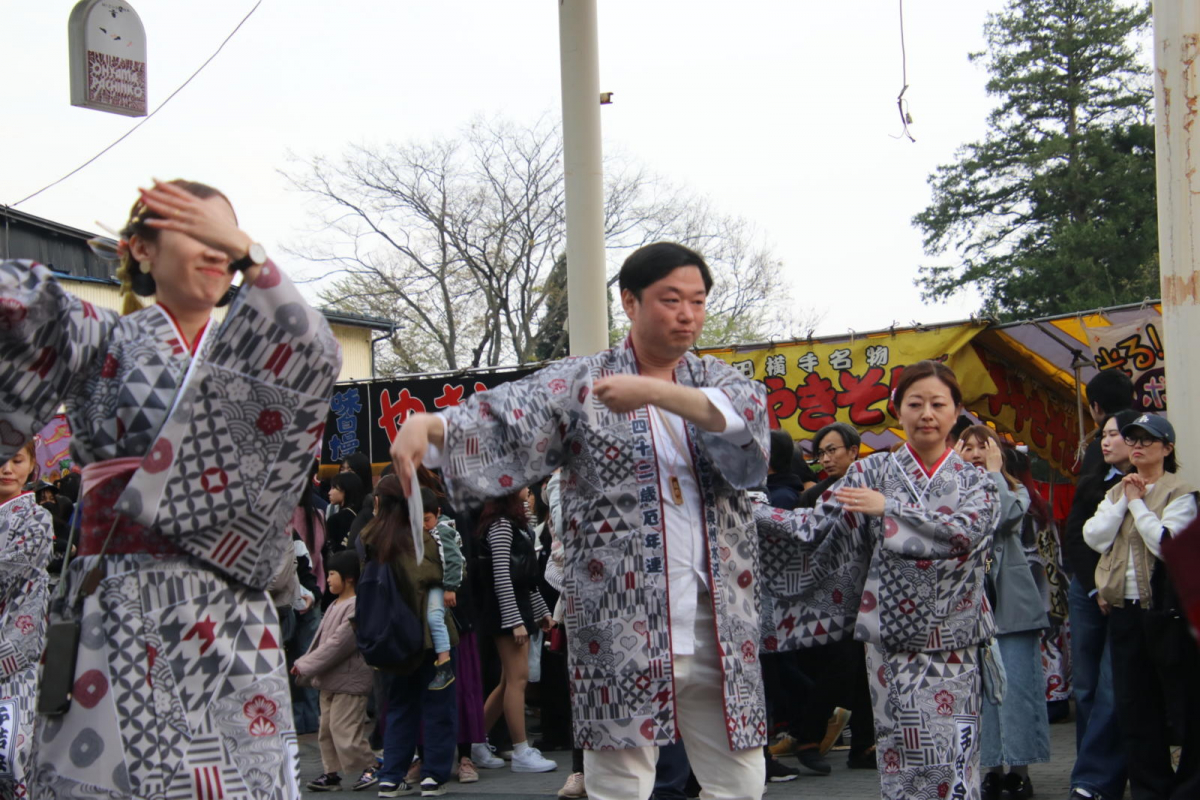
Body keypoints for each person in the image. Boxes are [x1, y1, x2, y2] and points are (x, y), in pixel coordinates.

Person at [391, 241, 771, 800]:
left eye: (698, 300)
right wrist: (435, 426)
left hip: (718, 617)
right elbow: (511, 417)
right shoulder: (584, 383)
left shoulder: (721, 380)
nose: (687, 313)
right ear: (630, 301)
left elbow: (749, 427)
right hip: (622, 616)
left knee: (740, 778)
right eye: (671, 299)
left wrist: (655, 392)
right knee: (619, 780)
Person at [1, 179, 341, 798]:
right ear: (140, 251)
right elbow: (22, 314)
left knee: (240, 780)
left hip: (233, 611)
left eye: (228, 239)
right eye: (195, 232)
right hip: (123, 596)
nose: (218, 251)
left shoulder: (250, 350)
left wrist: (253, 254)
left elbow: (310, 347)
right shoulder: (100, 339)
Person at [756, 360, 998, 800]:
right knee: (901, 752)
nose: (927, 413)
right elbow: (810, 527)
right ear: (897, 409)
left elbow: (964, 533)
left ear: (956, 411)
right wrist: (745, 508)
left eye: (938, 404)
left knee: (954, 754)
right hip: (890, 640)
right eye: (915, 403)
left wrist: (889, 509)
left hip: (954, 638)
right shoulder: (871, 472)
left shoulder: (976, 482)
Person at [1084, 413, 1200, 800]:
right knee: (1135, 706)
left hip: (1167, 614)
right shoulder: (1116, 492)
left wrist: (1137, 504)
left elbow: (1166, 545)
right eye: (1132, 439)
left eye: (1147, 441)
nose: (1137, 447)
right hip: (1124, 613)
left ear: (1167, 449)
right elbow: (1095, 537)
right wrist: (1124, 501)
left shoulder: (1180, 492)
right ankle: (1151, 789)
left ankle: (1187, 787)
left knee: (1181, 702)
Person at [956, 426, 1049, 800]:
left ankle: (1019, 772)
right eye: (969, 446)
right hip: (967, 609)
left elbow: (1006, 517)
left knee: (1017, 691)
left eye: (984, 446)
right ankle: (990, 770)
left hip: (1013, 605)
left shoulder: (1015, 490)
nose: (976, 453)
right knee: (980, 696)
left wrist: (994, 473)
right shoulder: (950, 488)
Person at [363, 474, 460, 797]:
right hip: (430, 638)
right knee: (437, 705)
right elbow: (434, 576)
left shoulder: (371, 539)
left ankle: (391, 775)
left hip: (391, 636)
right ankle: (433, 775)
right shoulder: (419, 539)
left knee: (401, 706)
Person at [1062, 409, 1138, 800]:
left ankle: (1097, 777)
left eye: (1113, 435)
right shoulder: (1092, 482)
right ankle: (1087, 775)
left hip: (1126, 593)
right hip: (1088, 592)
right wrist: (1095, 590)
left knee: (1111, 684)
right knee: (1087, 685)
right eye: (1102, 436)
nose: (1105, 442)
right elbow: (1075, 539)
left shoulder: (1154, 487)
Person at [472, 488, 557, 773]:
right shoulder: (501, 525)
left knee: (509, 681)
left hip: (515, 609)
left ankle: (476, 742)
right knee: (517, 680)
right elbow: (502, 577)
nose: (528, 489)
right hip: (506, 612)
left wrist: (542, 610)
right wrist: (515, 620)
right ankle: (521, 749)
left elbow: (524, 577)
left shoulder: (514, 524)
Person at [294, 550, 378, 793]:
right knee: (326, 730)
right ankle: (331, 774)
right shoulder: (334, 604)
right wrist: (307, 665)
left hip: (351, 679)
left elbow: (337, 645)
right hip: (330, 679)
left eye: (331, 574)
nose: (327, 579)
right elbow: (321, 643)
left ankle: (370, 766)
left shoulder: (355, 607)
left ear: (349, 577)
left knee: (344, 728)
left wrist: (305, 665)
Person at [0, 440, 54, 799]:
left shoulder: (37, 518)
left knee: (9, 751)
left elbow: (15, 575)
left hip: (10, 648)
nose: (7, 468)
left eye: (17, 460)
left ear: (31, 467)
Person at [421, 487, 465, 691]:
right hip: (436, 582)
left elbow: (454, 560)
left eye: (427, 519)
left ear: (437, 513)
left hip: (443, 583)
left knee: (434, 616)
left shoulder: (442, 531)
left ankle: (444, 664)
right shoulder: (430, 530)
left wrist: (450, 587)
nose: (423, 525)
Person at [797, 422, 862, 509]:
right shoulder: (812, 496)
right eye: (821, 453)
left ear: (853, 451)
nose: (825, 459)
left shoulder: (875, 485)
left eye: (832, 450)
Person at [326, 471, 365, 553]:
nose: (329, 493)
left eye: (334, 488)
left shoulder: (335, 520)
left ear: (345, 490)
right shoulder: (364, 514)